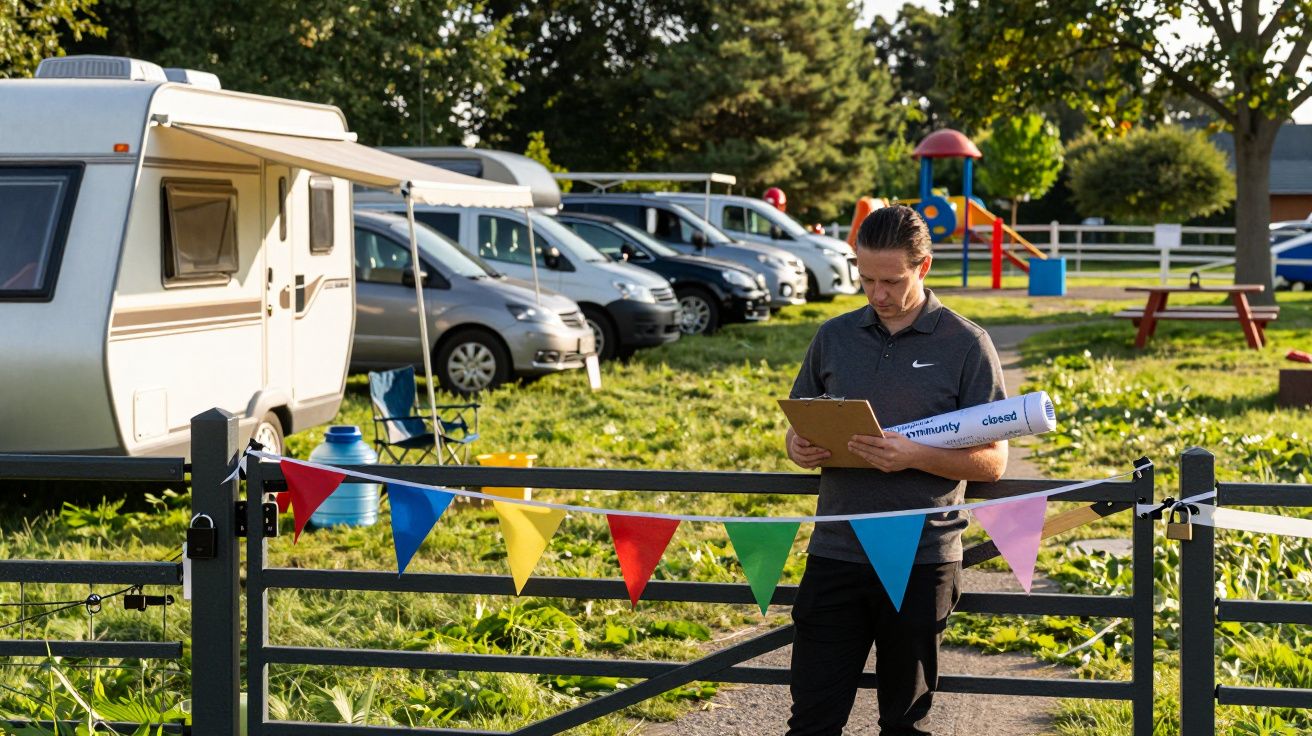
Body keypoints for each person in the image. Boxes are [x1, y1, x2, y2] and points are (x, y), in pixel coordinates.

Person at [784, 204, 1007, 735]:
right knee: (811, 720)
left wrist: (914, 456)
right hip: (835, 549)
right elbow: (800, 422)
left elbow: (994, 462)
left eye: (891, 280)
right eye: (866, 279)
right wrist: (797, 445)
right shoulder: (833, 336)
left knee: (903, 724)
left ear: (923, 267)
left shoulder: (966, 343)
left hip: (921, 555)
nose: (877, 293)